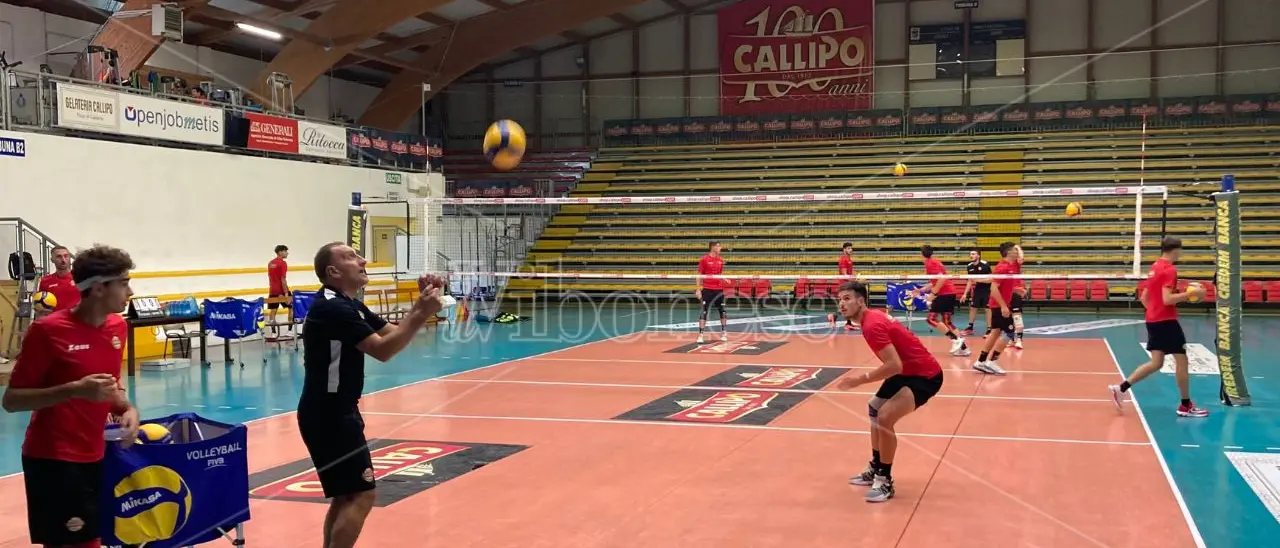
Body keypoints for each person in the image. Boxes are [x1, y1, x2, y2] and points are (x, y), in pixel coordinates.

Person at [297, 242, 447, 548]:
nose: (363, 260)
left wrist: (421, 305)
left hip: (333, 411)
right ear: (333, 271)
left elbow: (390, 332)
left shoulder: (347, 302)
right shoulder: (333, 308)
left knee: (346, 495)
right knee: (362, 494)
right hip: (329, 413)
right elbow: (382, 350)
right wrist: (421, 314)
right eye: (352, 257)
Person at [2, 244, 141, 548]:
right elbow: (11, 400)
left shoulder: (118, 327)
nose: (129, 291)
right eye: (124, 282)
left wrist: (127, 407)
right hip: (54, 458)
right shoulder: (48, 331)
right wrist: (73, 390)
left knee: (94, 537)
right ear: (99, 289)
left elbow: (112, 385)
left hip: (97, 453)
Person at [834, 281, 944, 503]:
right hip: (907, 371)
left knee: (884, 417)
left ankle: (884, 481)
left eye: (847, 299)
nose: (842, 304)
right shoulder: (869, 319)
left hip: (926, 375)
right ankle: (875, 466)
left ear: (861, 301)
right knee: (875, 408)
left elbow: (894, 366)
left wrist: (859, 380)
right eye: (839, 300)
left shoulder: (872, 324)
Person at [1108, 237, 1209, 417]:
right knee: (1182, 360)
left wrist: (1154, 312)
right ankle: (1186, 406)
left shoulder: (1154, 268)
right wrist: (1191, 293)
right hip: (1166, 322)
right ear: (1176, 250)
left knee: (1156, 363)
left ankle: (1121, 388)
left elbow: (1144, 298)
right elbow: (1167, 299)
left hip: (1153, 320)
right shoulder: (1169, 270)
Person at [971, 241, 1021, 375]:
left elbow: (1003, 286)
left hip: (1000, 305)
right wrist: (1004, 306)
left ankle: (980, 361)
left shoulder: (1010, 266)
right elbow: (993, 288)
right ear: (1009, 252)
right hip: (999, 306)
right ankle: (992, 361)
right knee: (1010, 333)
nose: (1017, 252)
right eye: (1015, 250)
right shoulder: (1002, 267)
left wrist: (1016, 289)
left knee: (995, 333)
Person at [910, 245, 969, 356]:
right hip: (949, 293)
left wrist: (933, 294)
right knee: (947, 322)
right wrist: (921, 290)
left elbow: (941, 279)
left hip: (945, 294)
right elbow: (934, 282)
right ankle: (964, 348)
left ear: (921, 255)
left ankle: (955, 339)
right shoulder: (935, 262)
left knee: (931, 319)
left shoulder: (930, 263)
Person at [695, 241, 728, 344]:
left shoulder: (721, 260)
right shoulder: (704, 259)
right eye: (718, 246)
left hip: (719, 289)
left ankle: (723, 333)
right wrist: (698, 288)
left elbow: (719, 274)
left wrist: (724, 278)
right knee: (704, 311)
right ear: (713, 247)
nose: (720, 248)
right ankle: (701, 335)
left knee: (722, 311)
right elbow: (699, 274)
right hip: (707, 289)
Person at [36, 246, 81, 313]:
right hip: (55, 320)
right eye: (59, 257)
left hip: (75, 320)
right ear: (52, 260)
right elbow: (41, 305)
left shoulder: (80, 277)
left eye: (66, 256)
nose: (63, 260)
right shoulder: (45, 281)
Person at [959, 250, 991, 336]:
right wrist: (965, 294)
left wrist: (979, 280)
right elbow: (970, 281)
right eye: (970, 254)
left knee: (988, 309)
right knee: (973, 308)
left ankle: (989, 329)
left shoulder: (985, 265)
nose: (971, 255)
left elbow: (991, 280)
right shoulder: (969, 266)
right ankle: (970, 328)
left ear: (979, 256)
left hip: (988, 289)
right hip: (977, 289)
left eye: (973, 254)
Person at [828, 242, 858, 331]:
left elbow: (849, 273)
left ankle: (848, 323)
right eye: (848, 248)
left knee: (847, 305)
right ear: (844, 249)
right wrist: (853, 280)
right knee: (846, 305)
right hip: (844, 285)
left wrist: (854, 278)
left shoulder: (849, 259)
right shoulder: (843, 259)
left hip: (848, 284)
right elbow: (844, 274)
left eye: (851, 248)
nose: (850, 250)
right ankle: (833, 316)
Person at [267, 245, 291, 334]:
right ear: (280, 252)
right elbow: (283, 279)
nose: (287, 253)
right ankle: (290, 331)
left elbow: (270, 277)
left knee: (273, 311)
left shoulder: (270, 263)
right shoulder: (283, 263)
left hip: (273, 290)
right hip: (281, 290)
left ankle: (273, 333)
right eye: (285, 251)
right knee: (292, 308)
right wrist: (285, 293)